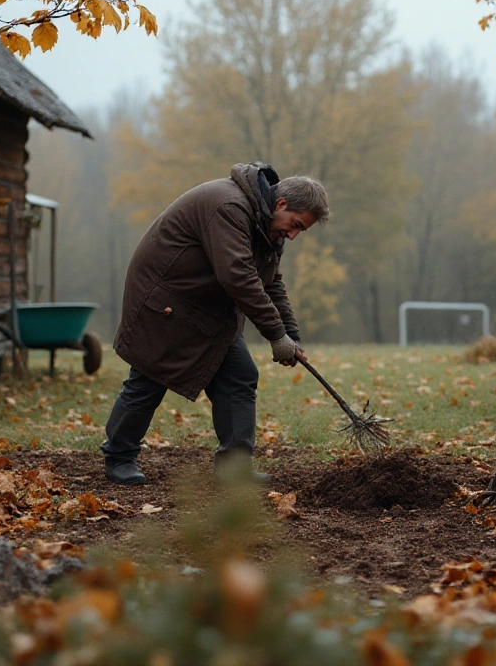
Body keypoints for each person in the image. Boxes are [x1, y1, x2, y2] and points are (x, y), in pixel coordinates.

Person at [101, 162, 328, 485]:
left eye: (299, 231)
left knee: (239, 377)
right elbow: (238, 277)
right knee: (149, 379)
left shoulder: (267, 224)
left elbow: (270, 282)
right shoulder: (229, 206)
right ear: (280, 204)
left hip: (209, 310)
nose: (292, 235)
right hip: (167, 303)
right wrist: (275, 334)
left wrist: (290, 334)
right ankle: (119, 457)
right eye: (294, 225)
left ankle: (234, 469)